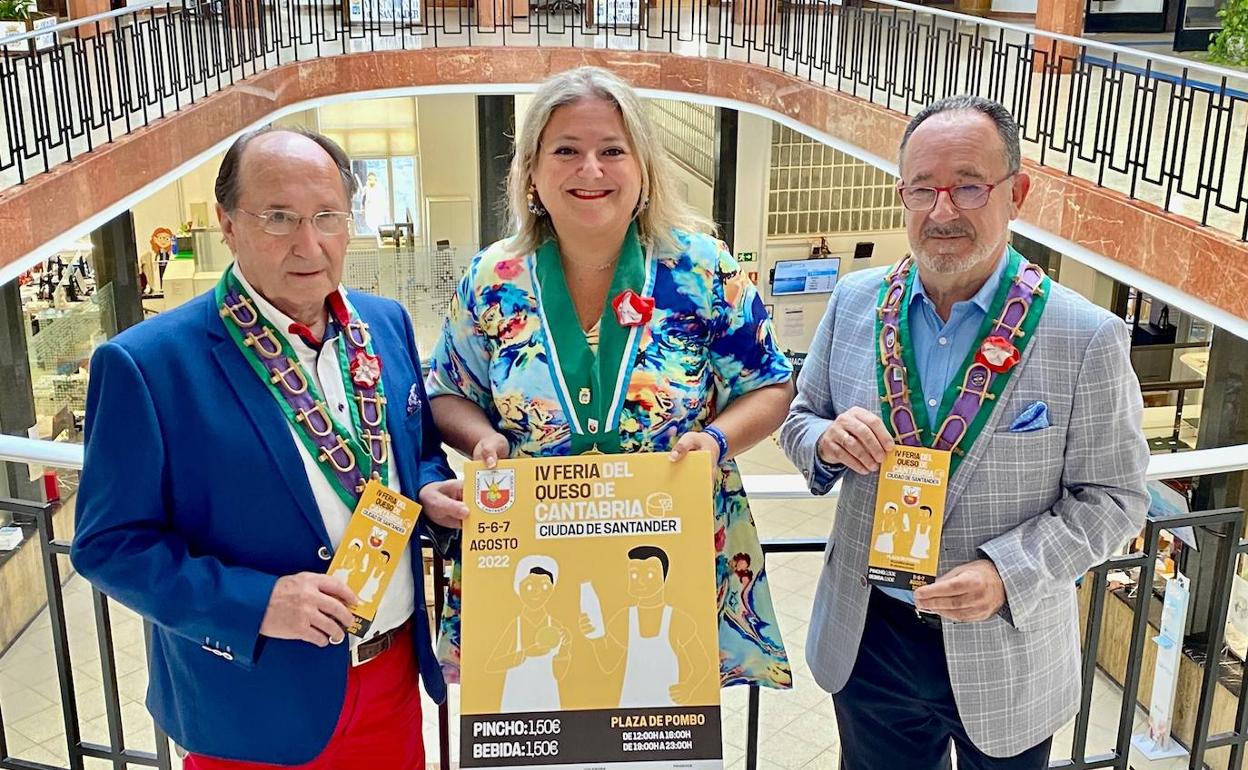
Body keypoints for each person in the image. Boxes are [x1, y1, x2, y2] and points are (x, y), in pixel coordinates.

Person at [70, 127, 466, 769]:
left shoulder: (385, 323)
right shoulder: (147, 365)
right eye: (278, 218)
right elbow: (109, 545)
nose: (308, 245)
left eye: (326, 217)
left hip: (389, 680)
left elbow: (413, 448)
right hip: (252, 702)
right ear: (227, 225)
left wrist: (425, 485)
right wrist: (257, 604)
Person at [779, 95, 1149, 769]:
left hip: (1004, 646)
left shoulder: (1083, 335)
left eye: (969, 186)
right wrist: (826, 441)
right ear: (903, 195)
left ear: (1018, 193)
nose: (942, 211)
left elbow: (1115, 496)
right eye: (923, 188)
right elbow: (800, 421)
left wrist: (1008, 574)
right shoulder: (855, 303)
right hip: (870, 638)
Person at [426, 66, 796, 692]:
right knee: (536, 727)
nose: (589, 169)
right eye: (565, 150)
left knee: (660, 732)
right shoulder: (494, 277)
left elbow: (771, 384)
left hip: (667, 559)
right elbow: (448, 391)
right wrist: (480, 439)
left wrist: (716, 441)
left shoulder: (702, 270)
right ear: (532, 173)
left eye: (612, 151)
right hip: (530, 558)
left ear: (643, 168)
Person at [580, 545, 710, 707]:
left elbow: (702, 663)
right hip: (629, 710)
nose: (640, 580)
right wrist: (595, 637)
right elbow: (608, 663)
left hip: (668, 713)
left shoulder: (677, 619)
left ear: (664, 577)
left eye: (649, 574)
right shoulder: (624, 618)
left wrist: (689, 687)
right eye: (634, 574)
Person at [485, 555, 571, 713]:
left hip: (548, 701)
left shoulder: (556, 627)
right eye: (530, 586)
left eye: (545, 587)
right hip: (515, 703)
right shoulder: (515, 626)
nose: (537, 593)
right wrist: (524, 654)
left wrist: (565, 650)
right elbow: (492, 664)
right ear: (518, 588)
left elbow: (559, 674)